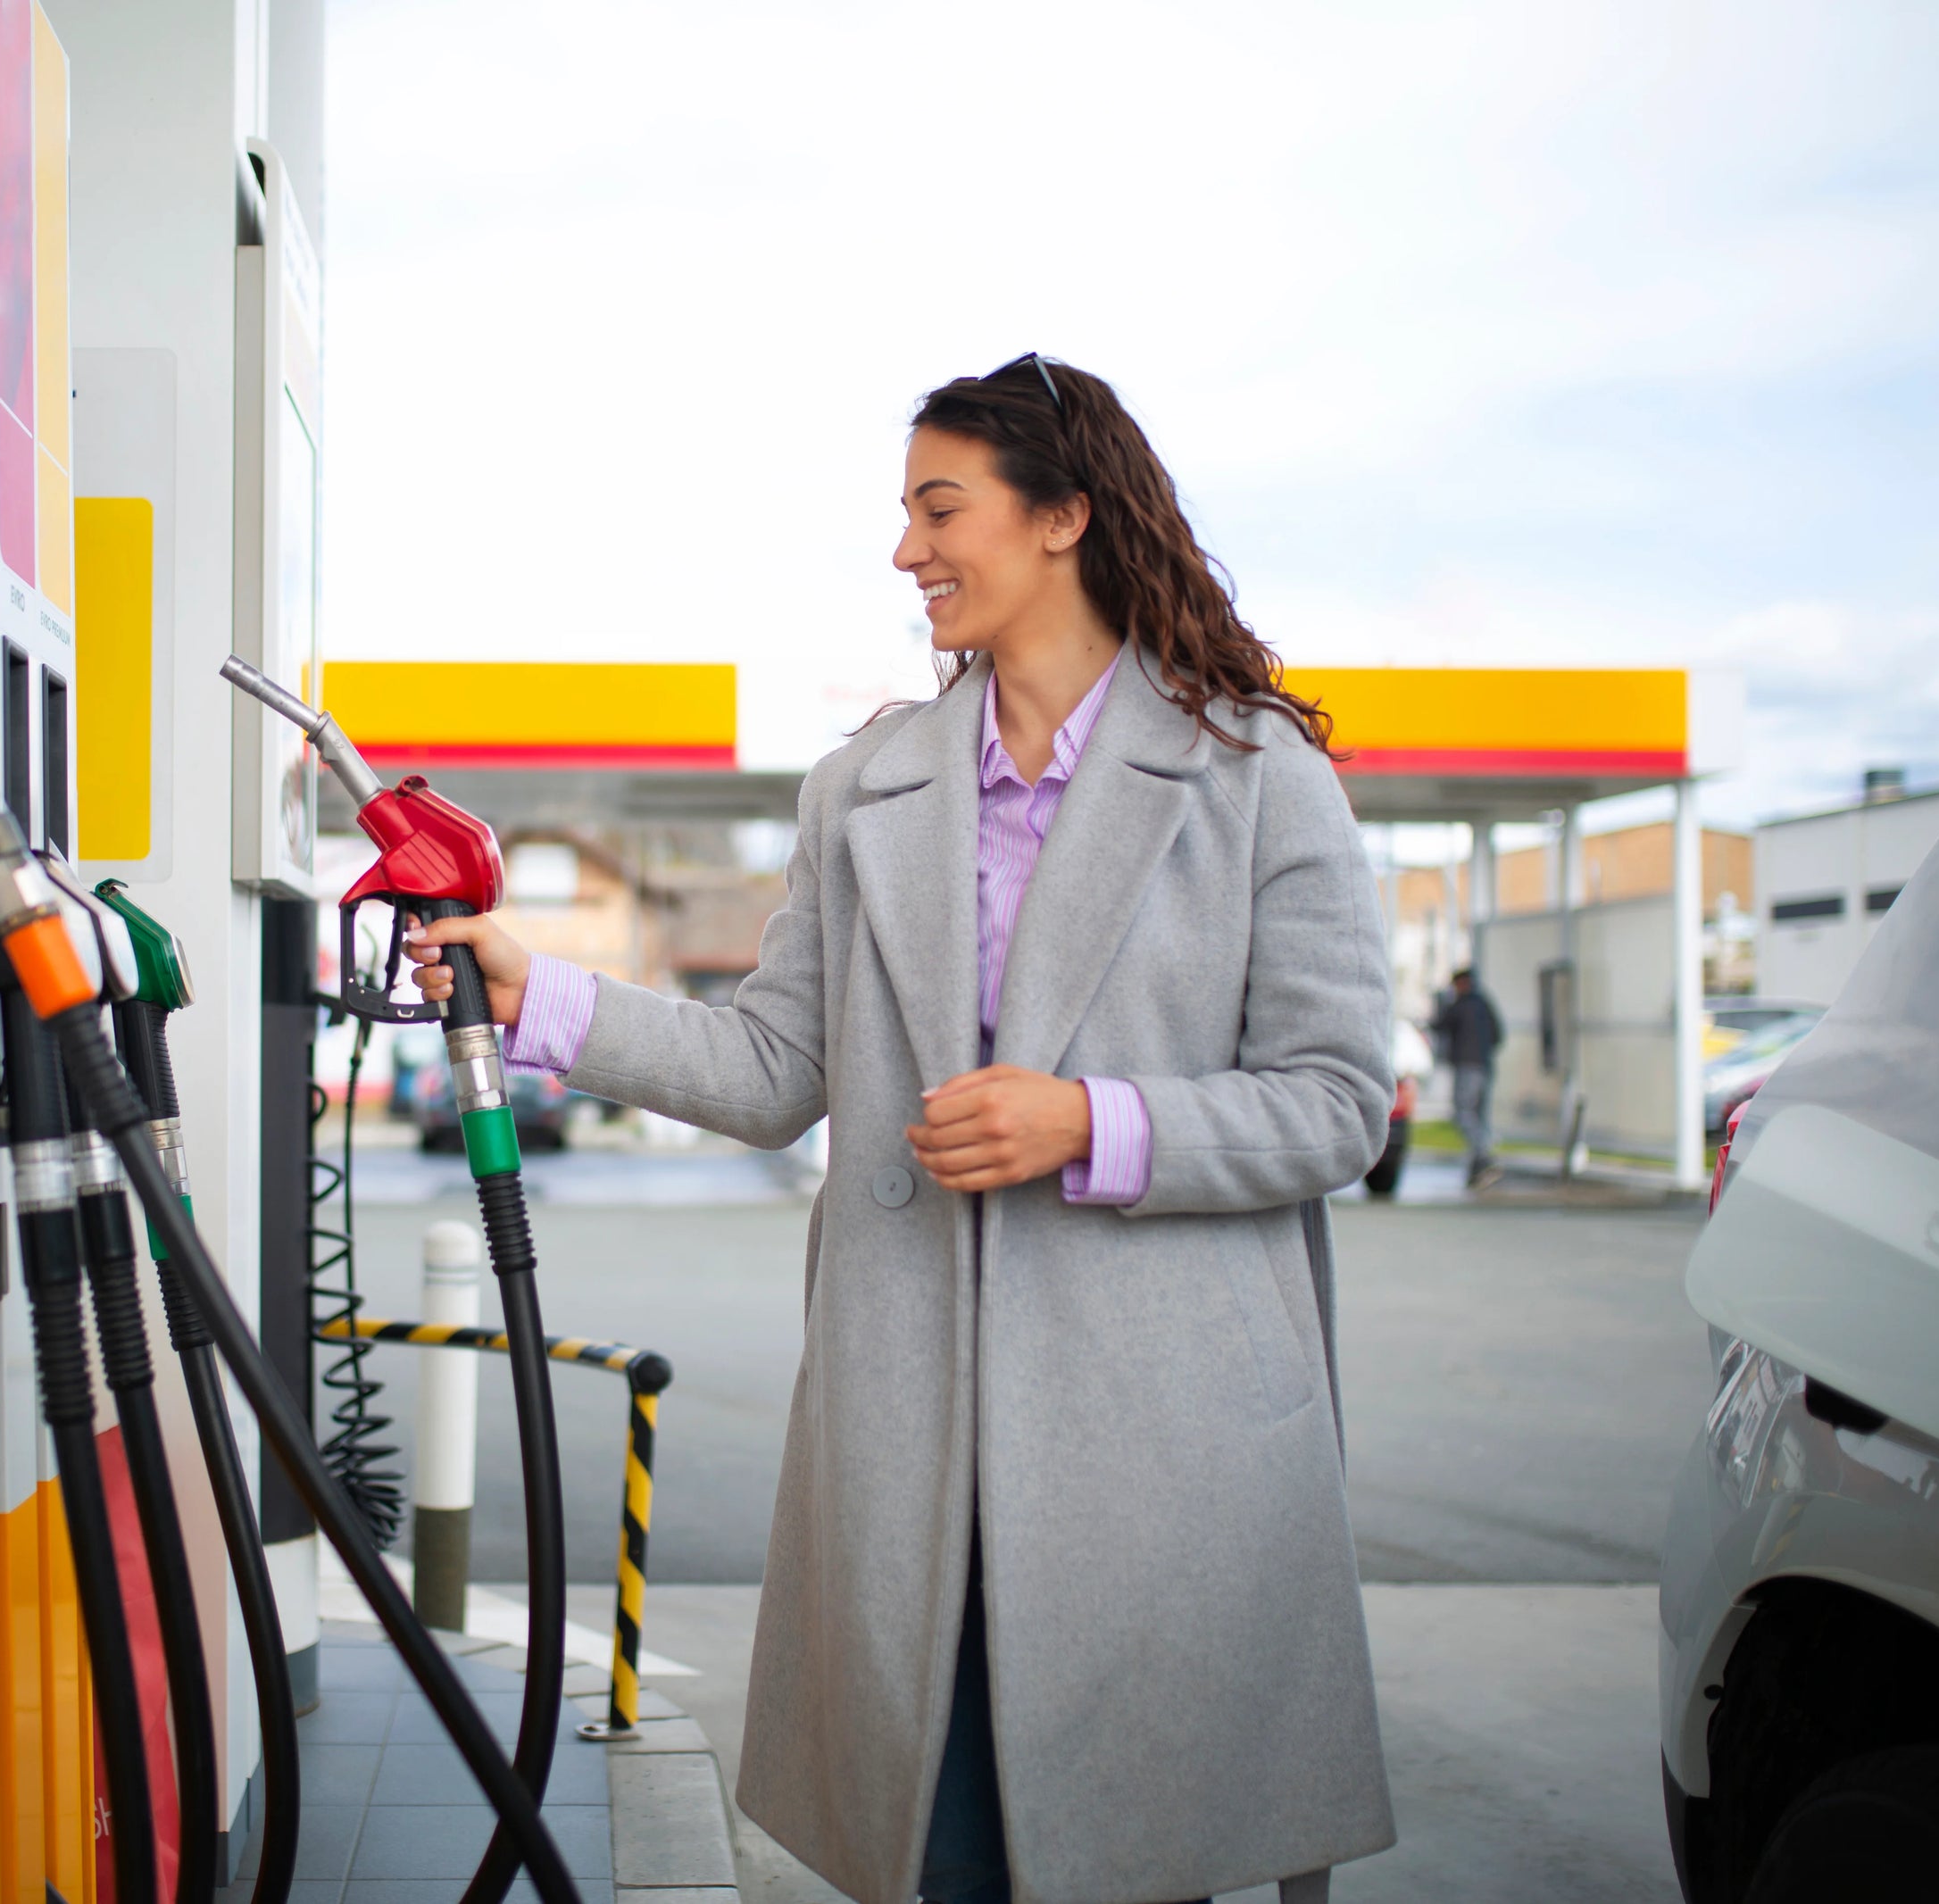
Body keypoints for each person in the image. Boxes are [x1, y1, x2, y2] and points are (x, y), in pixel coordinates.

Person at [406, 354, 1393, 1904]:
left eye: (942, 507)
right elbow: (773, 1062)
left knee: (1141, 1858)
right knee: (949, 1860)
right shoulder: (868, 786)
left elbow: (1337, 1101)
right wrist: (542, 994)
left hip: (1160, 1451)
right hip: (914, 1438)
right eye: (906, 512)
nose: (906, 550)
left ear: (1065, 512)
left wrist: (1089, 1121)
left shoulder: (1255, 772)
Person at [1434, 969, 1503, 1190]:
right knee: (1479, 1116)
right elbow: (1498, 1035)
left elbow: (1439, 1024)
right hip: (1485, 1066)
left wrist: (1441, 1002)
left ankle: (1485, 1155)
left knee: (1463, 1114)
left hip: (1467, 1066)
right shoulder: (1485, 1004)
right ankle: (1478, 1171)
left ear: (1461, 984)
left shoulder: (1460, 1005)